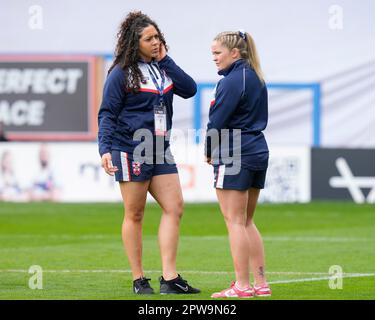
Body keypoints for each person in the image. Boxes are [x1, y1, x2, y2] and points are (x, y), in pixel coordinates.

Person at [98, 11, 200, 295]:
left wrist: (166, 59)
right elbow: (107, 113)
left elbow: (189, 89)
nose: (156, 42)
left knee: (175, 207)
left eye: (158, 37)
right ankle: (138, 279)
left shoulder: (162, 67)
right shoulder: (120, 72)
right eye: (149, 38)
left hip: (160, 147)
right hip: (129, 148)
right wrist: (105, 149)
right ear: (135, 41)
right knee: (136, 213)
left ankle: (169, 278)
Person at [205, 31, 271, 298]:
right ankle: (261, 284)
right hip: (257, 148)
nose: (214, 59)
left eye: (217, 53)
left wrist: (208, 149)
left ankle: (242, 286)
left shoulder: (232, 80)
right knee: (246, 220)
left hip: (234, 151)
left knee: (234, 221)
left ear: (234, 53)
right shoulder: (256, 76)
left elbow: (217, 121)